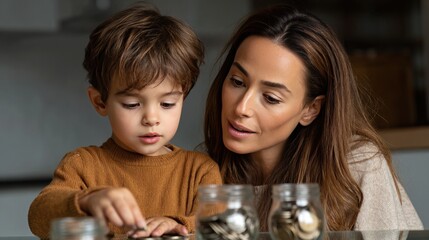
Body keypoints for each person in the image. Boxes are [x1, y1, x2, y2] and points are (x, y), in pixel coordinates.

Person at [203, 4, 423, 231]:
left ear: (311, 109)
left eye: (270, 98)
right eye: (238, 82)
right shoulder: (203, 172)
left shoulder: (356, 166)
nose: (242, 107)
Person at [28, 3, 222, 239]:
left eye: (167, 104)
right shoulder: (82, 166)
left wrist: (179, 225)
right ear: (100, 102)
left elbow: (218, 222)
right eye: (132, 104)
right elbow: (39, 216)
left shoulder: (200, 171)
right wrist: (86, 200)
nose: (152, 119)